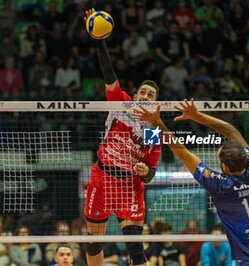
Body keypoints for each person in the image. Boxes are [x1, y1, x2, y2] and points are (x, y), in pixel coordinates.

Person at [133, 99, 249, 266]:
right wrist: (197, 116)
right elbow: (231, 131)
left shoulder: (220, 185)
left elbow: (182, 153)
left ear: (224, 167)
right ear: (245, 159)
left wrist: (158, 122)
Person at [83, 9, 162, 266]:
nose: (146, 96)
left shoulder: (154, 128)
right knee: (94, 242)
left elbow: (150, 173)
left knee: (135, 249)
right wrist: (100, 40)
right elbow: (108, 73)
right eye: (143, 92)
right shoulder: (122, 103)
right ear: (136, 95)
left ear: (156, 102)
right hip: (102, 177)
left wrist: (144, 171)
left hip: (130, 186)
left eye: (151, 95)